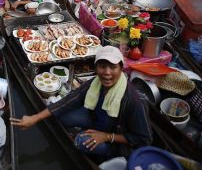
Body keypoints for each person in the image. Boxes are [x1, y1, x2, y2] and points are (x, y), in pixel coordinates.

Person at [10, 46, 152, 161]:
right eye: (102, 66)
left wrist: (107, 136)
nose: (107, 73)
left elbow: (144, 139)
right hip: (96, 119)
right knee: (60, 115)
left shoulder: (133, 100)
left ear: (121, 69)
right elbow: (68, 101)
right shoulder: (95, 83)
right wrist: (34, 118)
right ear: (96, 68)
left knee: (79, 141)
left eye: (113, 67)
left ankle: (103, 153)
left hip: (115, 139)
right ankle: (90, 130)